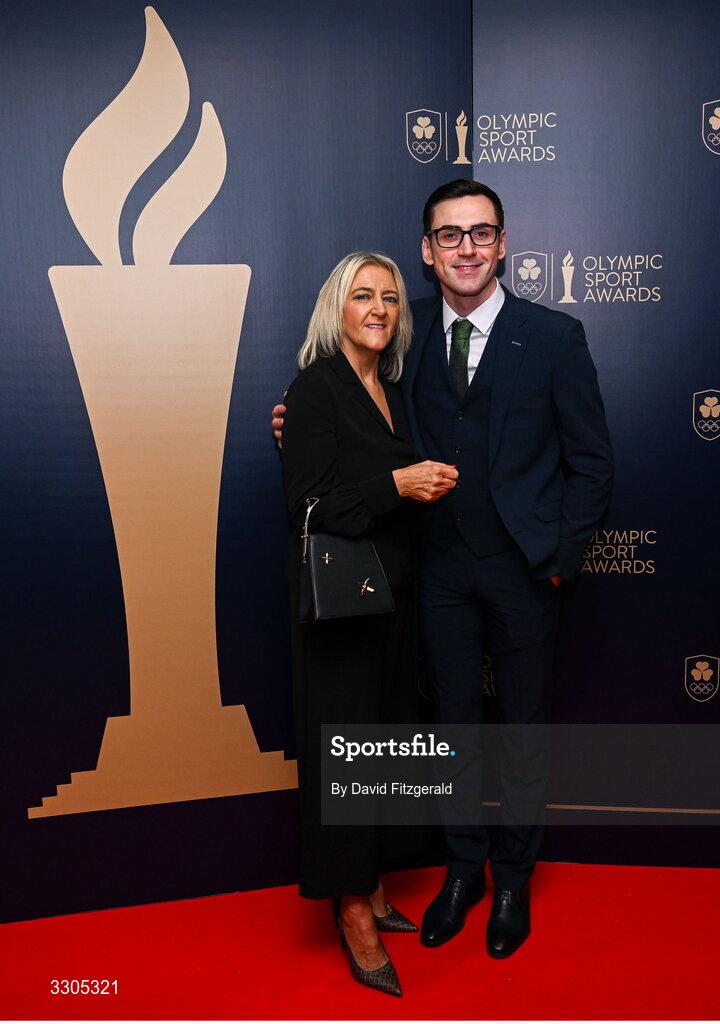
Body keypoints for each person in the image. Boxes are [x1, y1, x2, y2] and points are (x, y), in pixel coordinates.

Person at [274, 180, 613, 960]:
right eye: (449, 236)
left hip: (526, 574)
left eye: (481, 233)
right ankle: (463, 871)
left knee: (522, 731)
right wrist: (291, 422)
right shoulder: (404, 341)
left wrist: (558, 564)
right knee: (451, 729)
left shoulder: (557, 336)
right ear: (427, 252)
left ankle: (514, 877)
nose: (466, 248)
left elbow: (592, 466)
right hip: (436, 575)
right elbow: (350, 421)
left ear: (502, 244)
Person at [280, 251, 457, 997]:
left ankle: (376, 883)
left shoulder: (388, 387)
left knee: (384, 738)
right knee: (348, 746)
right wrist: (399, 482)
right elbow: (311, 508)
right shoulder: (315, 389)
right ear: (337, 308)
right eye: (363, 296)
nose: (380, 308)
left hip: (394, 599)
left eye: (390, 297)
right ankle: (351, 908)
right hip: (345, 606)